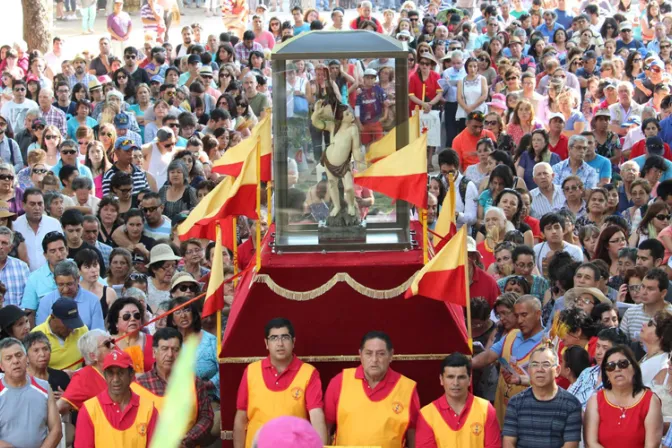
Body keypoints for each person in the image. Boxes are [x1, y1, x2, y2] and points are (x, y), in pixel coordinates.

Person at [233, 317, 327, 446]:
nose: (280, 343)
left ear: (293, 342)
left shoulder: (309, 373)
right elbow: (241, 418)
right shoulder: (251, 371)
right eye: (274, 338)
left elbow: (316, 416)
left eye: (285, 337)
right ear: (266, 343)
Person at [325, 331, 420, 447]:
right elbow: (326, 428)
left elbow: (413, 436)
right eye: (369, 353)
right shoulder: (340, 381)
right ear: (360, 355)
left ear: (391, 355)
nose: (374, 359)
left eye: (381, 354)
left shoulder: (407, 388)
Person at [133, 327, 214, 447]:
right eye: (164, 349)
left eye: (175, 350)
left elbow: (207, 416)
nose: (170, 355)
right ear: (154, 352)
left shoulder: (193, 382)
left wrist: (186, 439)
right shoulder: (138, 386)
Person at [472, 295, 545, 424]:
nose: (520, 320)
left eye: (524, 315)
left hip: (529, 419)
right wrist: (465, 364)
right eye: (517, 316)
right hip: (503, 416)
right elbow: (488, 356)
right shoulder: (511, 335)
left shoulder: (548, 344)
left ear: (538, 314)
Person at [75, 350, 159, 448]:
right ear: (104, 376)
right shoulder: (89, 410)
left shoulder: (148, 409)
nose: (115, 379)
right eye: (111, 373)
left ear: (131, 375)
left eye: (121, 373)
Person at [502, 346, 582, 448]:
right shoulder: (515, 402)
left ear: (557, 370)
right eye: (535, 365)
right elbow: (508, 442)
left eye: (546, 364)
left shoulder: (571, 404)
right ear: (529, 370)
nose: (540, 369)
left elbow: (571, 445)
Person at [416, 353, 501, 448]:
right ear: (441, 379)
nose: (455, 383)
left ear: (470, 379)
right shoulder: (427, 414)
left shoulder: (486, 409)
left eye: (461, 377)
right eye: (450, 377)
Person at [584, 346, 663, 447]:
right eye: (610, 366)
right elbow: (591, 443)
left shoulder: (650, 400)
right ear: (606, 374)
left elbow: (651, 445)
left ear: (634, 368)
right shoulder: (595, 401)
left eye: (623, 364)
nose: (617, 369)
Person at [0, 337, 62, 448]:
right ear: (1, 366)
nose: (15, 361)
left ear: (27, 359)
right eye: (8, 358)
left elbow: (56, 430)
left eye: (19, 355)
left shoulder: (44, 387)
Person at [36, 259, 105, 330]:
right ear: (55, 281)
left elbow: (97, 334)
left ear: (78, 279)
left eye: (69, 284)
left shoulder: (93, 301)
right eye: (61, 284)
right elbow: (42, 333)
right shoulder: (45, 302)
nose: (65, 289)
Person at [58, 329, 113, 414]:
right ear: (93, 356)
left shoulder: (120, 365)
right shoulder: (83, 376)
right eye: (107, 344)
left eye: (112, 341)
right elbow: (60, 406)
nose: (113, 345)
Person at [22, 231, 68, 325]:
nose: (59, 254)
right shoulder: (34, 278)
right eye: (53, 251)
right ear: (45, 255)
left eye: (61, 249)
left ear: (67, 250)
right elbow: (30, 312)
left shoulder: (79, 269)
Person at [13, 188, 63, 271]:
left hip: (51, 275)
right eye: (32, 204)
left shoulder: (54, 224)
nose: (37, 208)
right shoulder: (15, 225)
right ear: (23, 205)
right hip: (24, 275)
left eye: (40, 204)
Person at [31, 298, 89, 370]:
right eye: (67, 324)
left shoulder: (82, 329)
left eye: (74, 323)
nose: (71, 329)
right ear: (53, 317)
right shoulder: (37, 336)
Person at [621, 268, 672, 343]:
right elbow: (621, 344)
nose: (644, 292)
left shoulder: (670, 314)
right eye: (642, 286)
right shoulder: (630, 313)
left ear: (663, 293)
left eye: (650, 289)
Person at [106, 296, 154, 374]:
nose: (133, 319)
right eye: (126, 316)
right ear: (115, 323)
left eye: (136, 315)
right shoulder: (107, 344)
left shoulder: (153, 341)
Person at [24, 331, 71, 401]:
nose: (42, 354)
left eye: (45, 349)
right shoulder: (20, 381)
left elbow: (75, 407)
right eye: (36, 350)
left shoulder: (61, 377)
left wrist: (67, 400)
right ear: (26, 356)